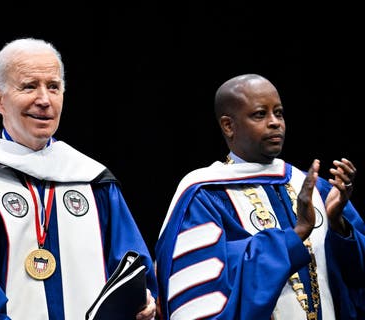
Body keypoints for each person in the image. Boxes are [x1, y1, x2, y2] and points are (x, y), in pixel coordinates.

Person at [0, 38, 157, 320]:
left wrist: (144, 299)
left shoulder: (92, 180)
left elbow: (132, 265)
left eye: (54, 87)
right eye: (29, 86)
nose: (44, 100)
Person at [154, 73, 365, 319]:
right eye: (259, 114)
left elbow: (355, 281)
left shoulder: (317, 189)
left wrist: (339, 226)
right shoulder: (205, 196)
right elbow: (208, 293)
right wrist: (296, 234)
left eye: (279, 113)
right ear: (228, 126)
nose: (275, 122)